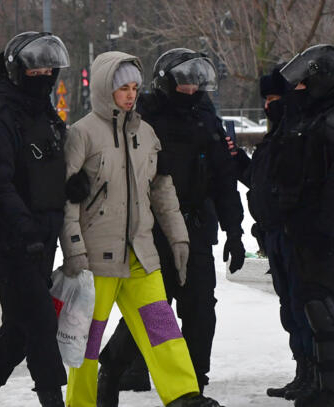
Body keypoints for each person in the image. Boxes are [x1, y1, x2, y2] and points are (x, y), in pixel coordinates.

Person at [59, 51, 223, 407]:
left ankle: (183, 395)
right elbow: (67, 199)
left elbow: (163, 191)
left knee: (161, 326)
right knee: (88, 338)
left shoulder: (146, 134)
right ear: (106, 90)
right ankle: (81, 402)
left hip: (140, 254)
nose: (130, 95)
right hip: (95, 258)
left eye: (135, 87)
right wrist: (73, 248)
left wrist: (179, 237)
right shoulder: (82, 134)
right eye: (123, 88)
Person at [96, 48, 245, 401]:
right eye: (185, 83)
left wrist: (235, 232)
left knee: (200, 310)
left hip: (197, 227)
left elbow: (224, 180)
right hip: (152, 231)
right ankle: (114, 366)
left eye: (197, 83)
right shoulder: (143, 118)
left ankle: (193, 387)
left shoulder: (207, 120)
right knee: (153, 310)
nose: (192, 90)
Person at [260, 44, 334, 407]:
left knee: (318, 304)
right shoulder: (316, 116)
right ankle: (320, 382)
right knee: (306, 302)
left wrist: (322, 231)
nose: (300, 91)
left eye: (306, 84)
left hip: (326, 232)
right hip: (305, 228)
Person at [0, 32, 71, 407]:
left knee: (19, 325)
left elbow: (47, 169)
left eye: (49, 67)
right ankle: (52, 400)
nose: (44, 74)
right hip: (12, 240)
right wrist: (24, 228)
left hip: (43, 237)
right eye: (36, 68)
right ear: (17, 71)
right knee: (42, 324)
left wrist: (70, 187)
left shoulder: (45, 115)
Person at [238, 64, 315, 401]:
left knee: (302, 305)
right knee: (290, 306)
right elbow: (262, 180)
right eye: (266, 99)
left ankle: (313, 372)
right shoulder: (278, 134)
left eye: (274, 97)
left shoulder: (298, 132)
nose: (269, 104)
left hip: (293, 234)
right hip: (275, 233)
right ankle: (304, 370)